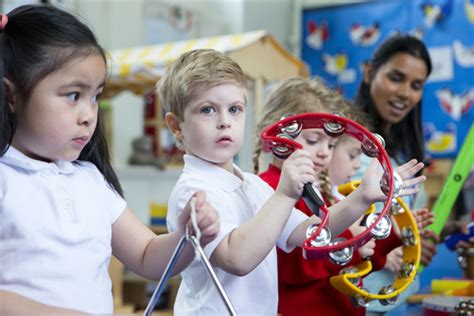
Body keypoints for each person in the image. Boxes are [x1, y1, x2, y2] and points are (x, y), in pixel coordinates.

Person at [159, 48, 426, 315]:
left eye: (235, 109)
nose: (225, 122)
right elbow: (236, 258)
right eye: (207, 110)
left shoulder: (252, 185)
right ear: (176, 126)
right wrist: (285, 196)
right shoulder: (193, 190)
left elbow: (313, 232)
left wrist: (363, 197)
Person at [0, 5, 219, 315]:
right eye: (73, 95)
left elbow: (147, 256)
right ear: (11, 95)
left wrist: (185, 236)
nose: (90, 115)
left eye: (96, 96)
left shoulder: (90, 181)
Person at [254, 78, 432, 316]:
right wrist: (352, 242)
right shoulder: (270, 189)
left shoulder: (320, 193)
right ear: (277, 133)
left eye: (331, 145)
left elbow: (354, 264)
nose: (323, 153)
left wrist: (391, 235)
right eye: (313, 141)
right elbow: (291, 267)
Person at [354, 34, 439, 313]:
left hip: (398, 300)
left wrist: (418, 240)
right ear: (369, 73)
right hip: (357, 299)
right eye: (396, 78)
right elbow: (325, 222)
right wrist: (387, 246)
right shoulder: (343, 146)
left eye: (416, 85)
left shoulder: (404, 155)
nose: (405, 93)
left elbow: (402, 221)